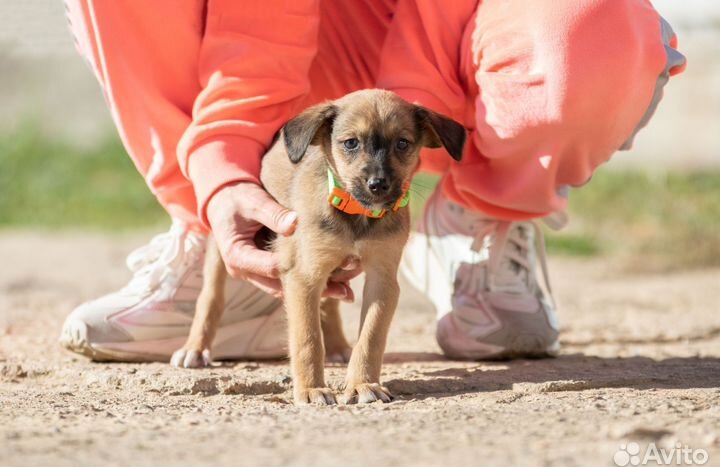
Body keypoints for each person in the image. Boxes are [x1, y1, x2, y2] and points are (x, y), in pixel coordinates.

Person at [60, 0, 685, 361]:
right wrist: (223, 172)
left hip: (475, 51)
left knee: (598, 24)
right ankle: (233, 233)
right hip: (300, 46)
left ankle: (483, 213)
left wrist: (416, 104)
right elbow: (254, 31)